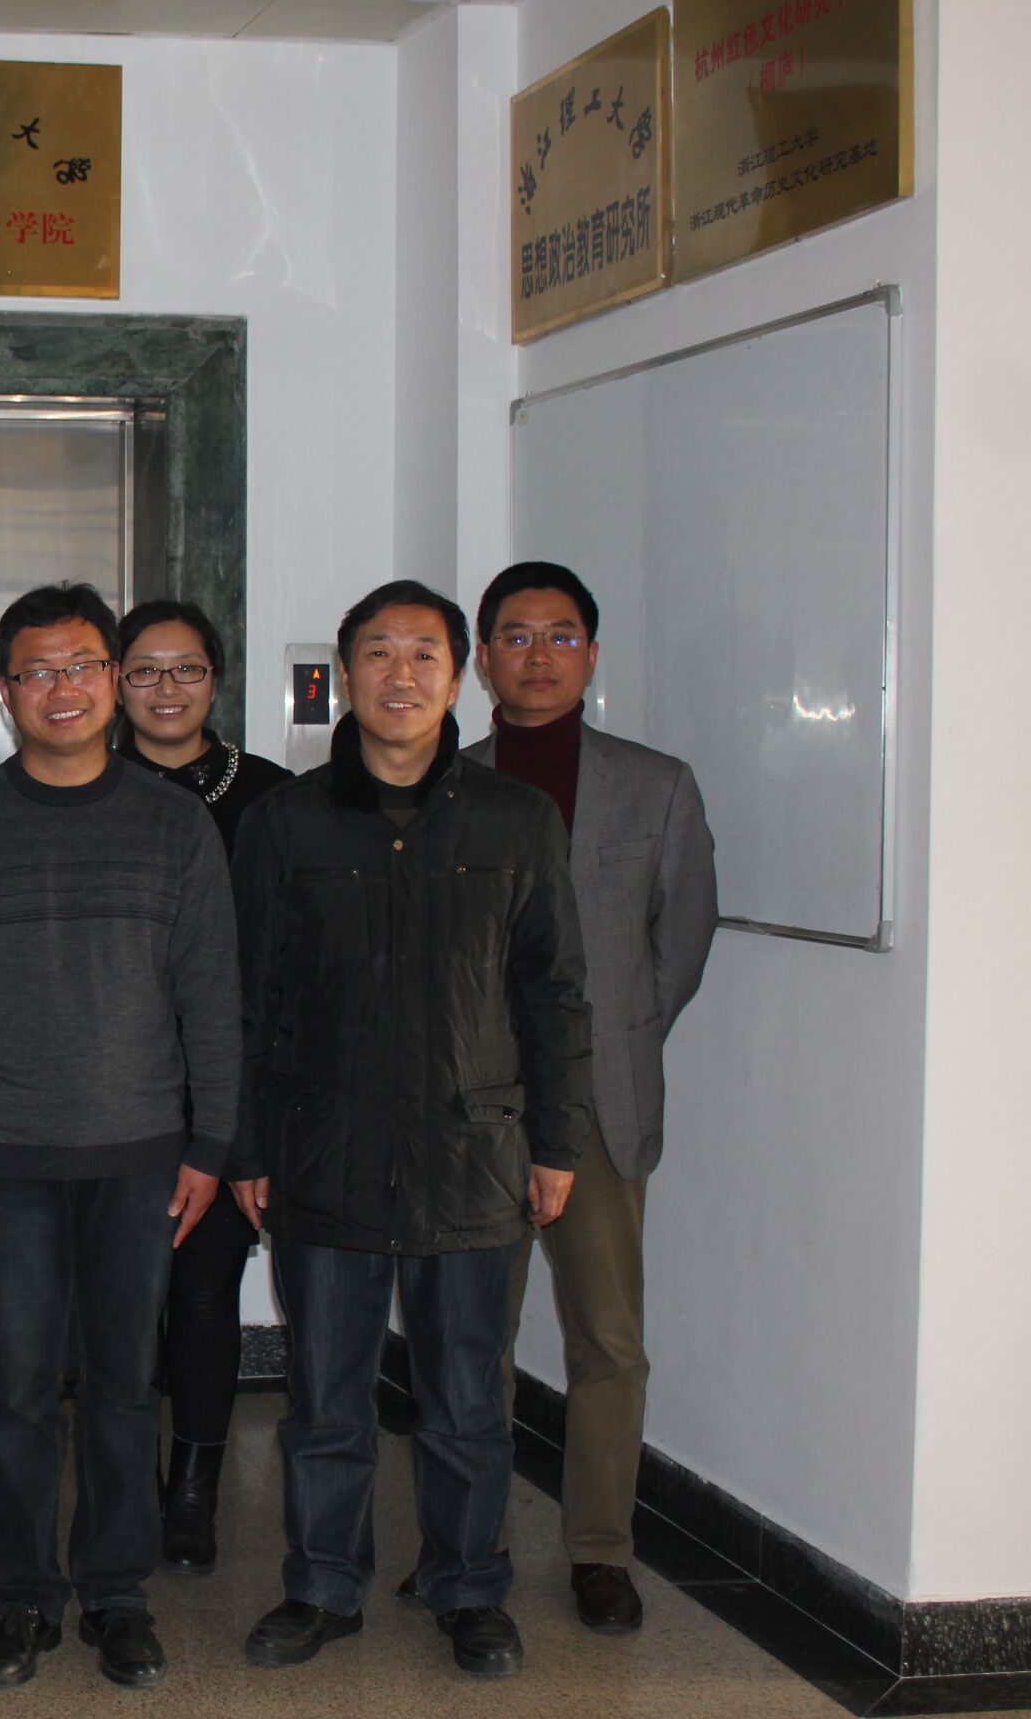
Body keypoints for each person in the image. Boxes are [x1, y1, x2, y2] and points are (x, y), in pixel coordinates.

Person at [228, 580, 594, 1681]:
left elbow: (553, 992)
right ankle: (322, 1585)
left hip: (472, 1152)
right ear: (345, 674)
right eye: (378, 653)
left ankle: (468, 1588)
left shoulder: (515, 820)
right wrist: (247, 1146)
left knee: (467, 1401)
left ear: (459, 675)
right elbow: (248, 996)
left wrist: (558, 1141)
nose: (401, 675)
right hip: (324, 1150)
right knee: (326, 1402)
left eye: (424, 654)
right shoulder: (285, 821)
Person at [0, 584, 240, 1691]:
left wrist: (211, 1145)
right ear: (6, 693)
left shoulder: (175, 824)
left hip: (140, 1155)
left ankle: (114, 1592)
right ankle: (24, 1595)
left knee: (123, 1385)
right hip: (1, 1157)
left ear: (113, 681)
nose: (64, 688)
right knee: (14, 1388)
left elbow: (211, 993)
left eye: (84, 666)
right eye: (38, 671)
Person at [467, 560, 716, 1634]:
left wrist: (612, 1042)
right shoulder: (450, 782)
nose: (539, 656)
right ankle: (469, 1545)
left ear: (593, 654)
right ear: (484, 660)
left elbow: (681, 941)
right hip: (475, 1111)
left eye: (561, 635)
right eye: (516, 637)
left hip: (602, 1110)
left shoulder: (656, 785)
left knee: (608, 1341)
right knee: (472, 1338)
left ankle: (601, 1552)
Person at [112, 600, 291, 1576]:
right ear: (117, 682)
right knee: (117, 1307)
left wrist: (248, 1129)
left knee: (206, 1297)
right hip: (113, 1092)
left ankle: (193, 1493)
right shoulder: (89, 785)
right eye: (145, 669)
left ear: (216, 679)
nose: (167, 688)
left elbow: (283, 972)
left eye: (186, 669)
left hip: (227, 1092)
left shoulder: (271, 798)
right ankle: (128, 1483)